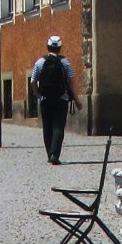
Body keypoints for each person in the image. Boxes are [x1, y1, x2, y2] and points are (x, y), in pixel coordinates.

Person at [31, 34, 79, 164]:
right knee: (58, 127)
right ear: (60, 48)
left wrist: (38, 94)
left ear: (48, 47)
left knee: (47, 127)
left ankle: (49, 153)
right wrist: (77, 100)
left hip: (45, 99)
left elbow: (33, 80)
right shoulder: (65, 62)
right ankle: (55, 154)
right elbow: (71, 82)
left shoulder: (40, 62)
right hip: (61, 99)